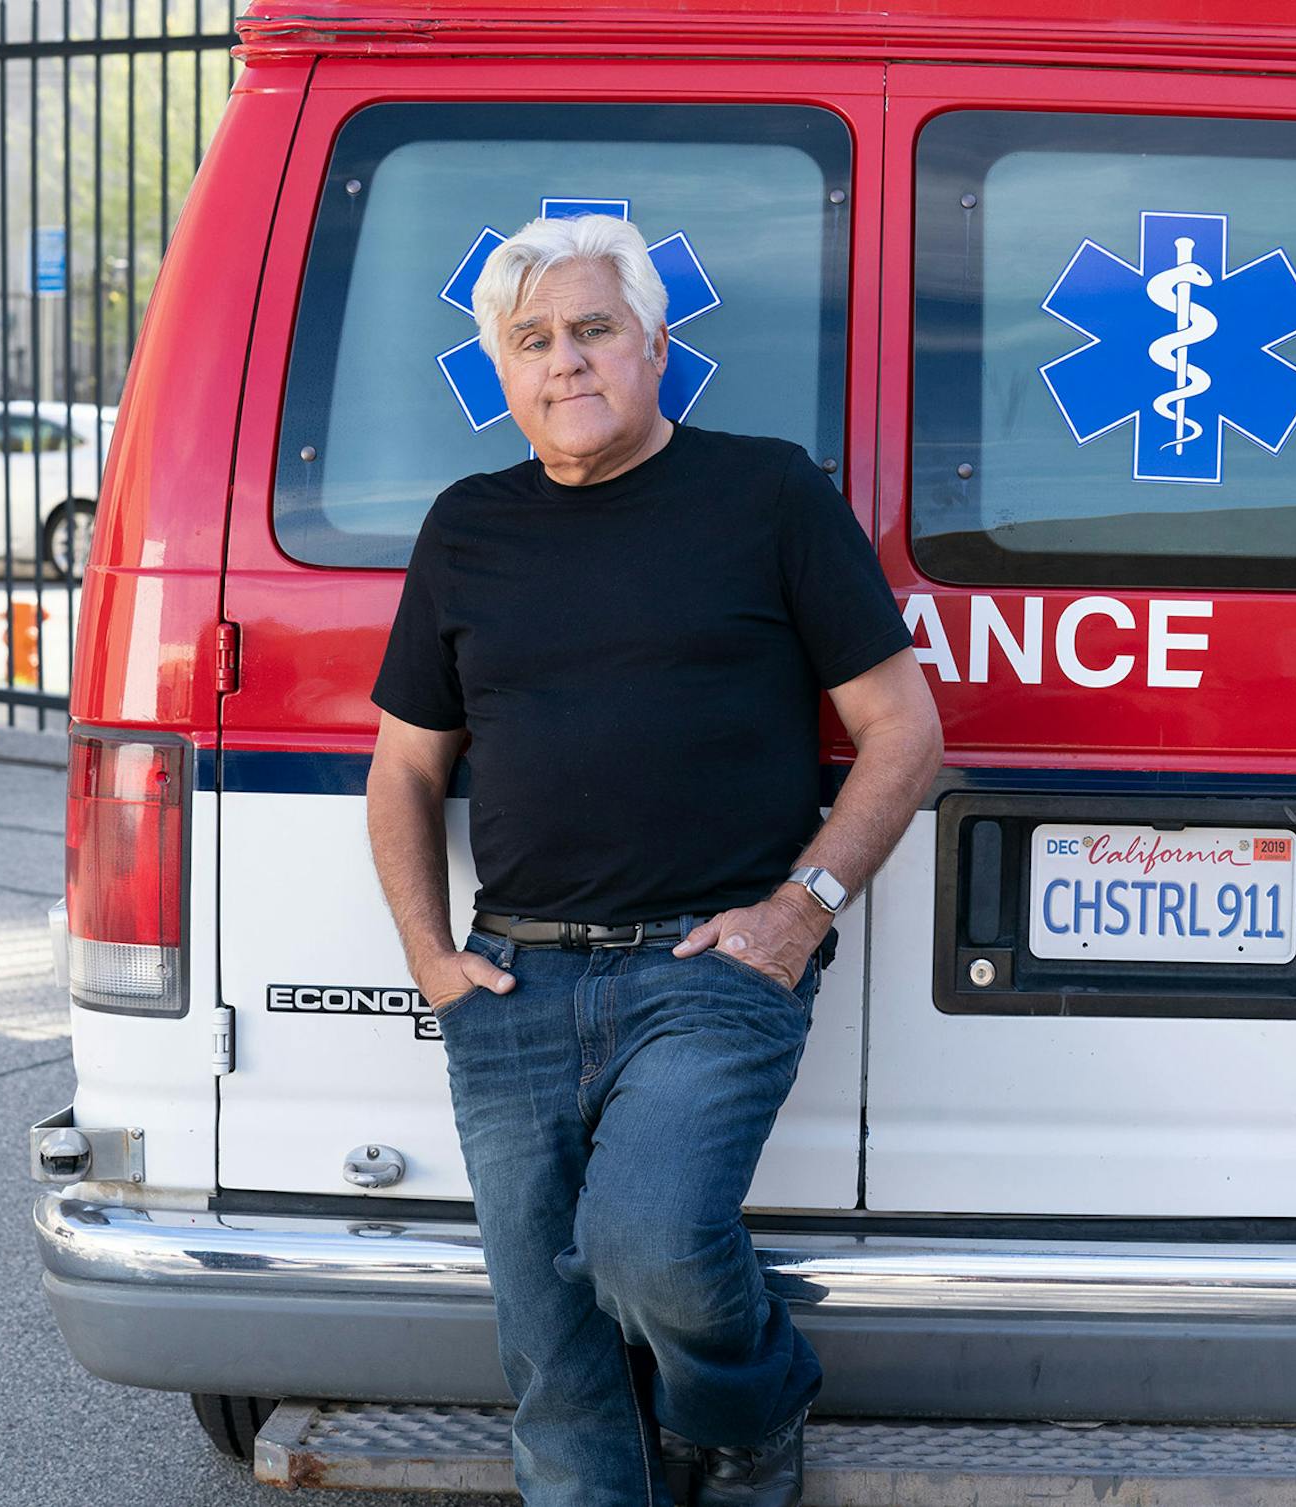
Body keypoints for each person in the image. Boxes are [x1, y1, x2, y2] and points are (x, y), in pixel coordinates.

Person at [364, 212, 943, 1507]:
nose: (565, 362)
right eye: (533, 342)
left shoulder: (768, 494)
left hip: (708, 971)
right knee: (554, 1359)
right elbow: (404, 766)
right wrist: (431, 959)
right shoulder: (466, 529)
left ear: (656, 344)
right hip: (512, 986)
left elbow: (904, 732)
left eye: (592, 329)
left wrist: (801, 911)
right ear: (503, 378)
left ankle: (748, 1402)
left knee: (649, 1247)